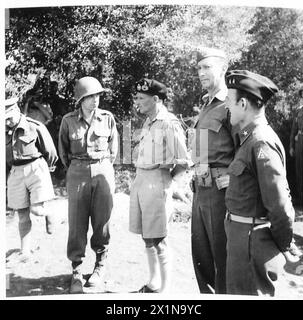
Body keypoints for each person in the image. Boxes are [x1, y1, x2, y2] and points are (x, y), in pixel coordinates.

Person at [224, 70, 299, 296]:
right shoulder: (250, 138)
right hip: (242, 239)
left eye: (229, 100)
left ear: (243, 103)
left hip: (252, 243)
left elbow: (280, 206)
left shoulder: (261, 142)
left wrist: (282, 245)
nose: (227, 106)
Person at [129, 78, 192, 293]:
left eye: (142, 98)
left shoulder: (168, 123)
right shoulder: (149, 121)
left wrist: (166, 179)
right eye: (136, 98)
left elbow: (184, 161)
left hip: (157, 181)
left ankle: (165, 291)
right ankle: (153, 282)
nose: (137, 102)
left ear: (156, 99)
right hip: (141, 180)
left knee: (159, 238)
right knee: (147, 236)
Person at [58, 76, 118, 294]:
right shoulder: (68, 120)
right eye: (91, 96)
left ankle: (100, 266)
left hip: (103, 169)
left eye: (98, 96)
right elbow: (63, 152)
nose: (96, 100)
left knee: (103, 220)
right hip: (77, 172)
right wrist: (78, 169)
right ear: (80, 99)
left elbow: (114, 149)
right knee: (76, 221)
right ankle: (77, 269)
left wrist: (102, 167)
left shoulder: (107, 118)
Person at [190, 48, 235, 294]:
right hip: (200, 191)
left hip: (221, 195)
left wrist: (235, 183)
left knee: (223, 261)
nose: (201, 73)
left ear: (222, 69)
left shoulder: (232, 105)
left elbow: (245, 151)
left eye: (207, 67)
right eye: (199, 68)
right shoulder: (206, 105)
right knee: (202, 261)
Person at [5, 96, 58, 261]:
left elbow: (50, 151)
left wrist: (47, 169)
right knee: (21, 214)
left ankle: (49, 213)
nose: (7, 122)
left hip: (36, 168)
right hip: (15, 171)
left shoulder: (34, 126)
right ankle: (25, 251)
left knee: (36, 210)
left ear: (16, 110)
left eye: (9, 118)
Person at [289, 85, 303, 206]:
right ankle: (302, 198)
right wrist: (291, 146)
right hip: (300, 142)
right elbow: (293, 130)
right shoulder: (299, 110)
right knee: (300, 170)